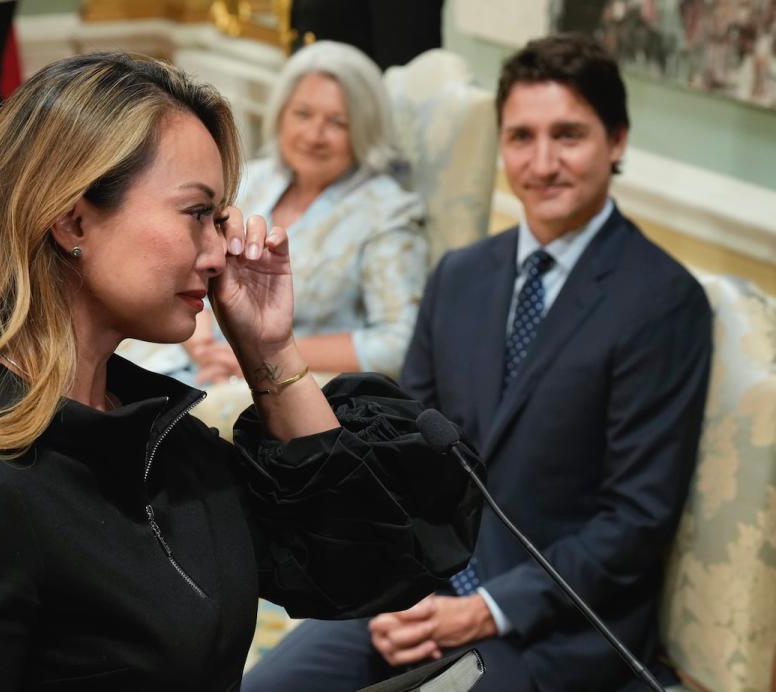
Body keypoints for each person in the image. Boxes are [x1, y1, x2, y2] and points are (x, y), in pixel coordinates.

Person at [0, 53, 484, 691]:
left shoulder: (165, 446)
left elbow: (364, 563)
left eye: (220, 221)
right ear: (74, 220)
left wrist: (270, 351)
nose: (219, 254)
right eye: (196, 215)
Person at [243, 34, 712, 692]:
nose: (542, 162)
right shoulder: (459, 276)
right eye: (521, 137)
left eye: (568, 136)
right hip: (417, 591)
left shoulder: (664, 303)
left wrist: (487, 609)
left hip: (551, 626)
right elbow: (407, 462)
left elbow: (634, 521)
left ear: (618, 141)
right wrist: (389, 583)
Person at [181, 40, 427, 384]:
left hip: (286, 382)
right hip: (192, 354)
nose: (314, 135)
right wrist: (201, 343)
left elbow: (397, 344)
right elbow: (191, 261)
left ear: (364, 129)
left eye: (337, 123)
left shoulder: (388, 212)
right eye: (303, 114)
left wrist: (260, 354)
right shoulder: (250, 178)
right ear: (281, 114)